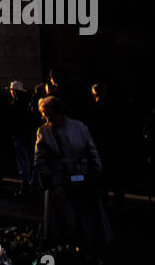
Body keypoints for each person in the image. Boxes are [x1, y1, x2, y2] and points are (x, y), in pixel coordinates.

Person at [34, 95, 111, 252]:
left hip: (63, 178)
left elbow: (40, 159)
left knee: (69, 218)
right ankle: (82, 246)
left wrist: (47, 178)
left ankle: (75, 246)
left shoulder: (45, 131)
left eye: (47, 114)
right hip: (72, 177)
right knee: (81, 216)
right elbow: (92, 152)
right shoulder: (79, 127)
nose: (45, 118)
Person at [9, 80, 36, 194]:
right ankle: (35, 185)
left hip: (19, 135)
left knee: (23, 162)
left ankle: (25, 186)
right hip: (29, 134)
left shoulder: (14, 105)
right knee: (32, 160)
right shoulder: (28, 103)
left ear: (14, 92)